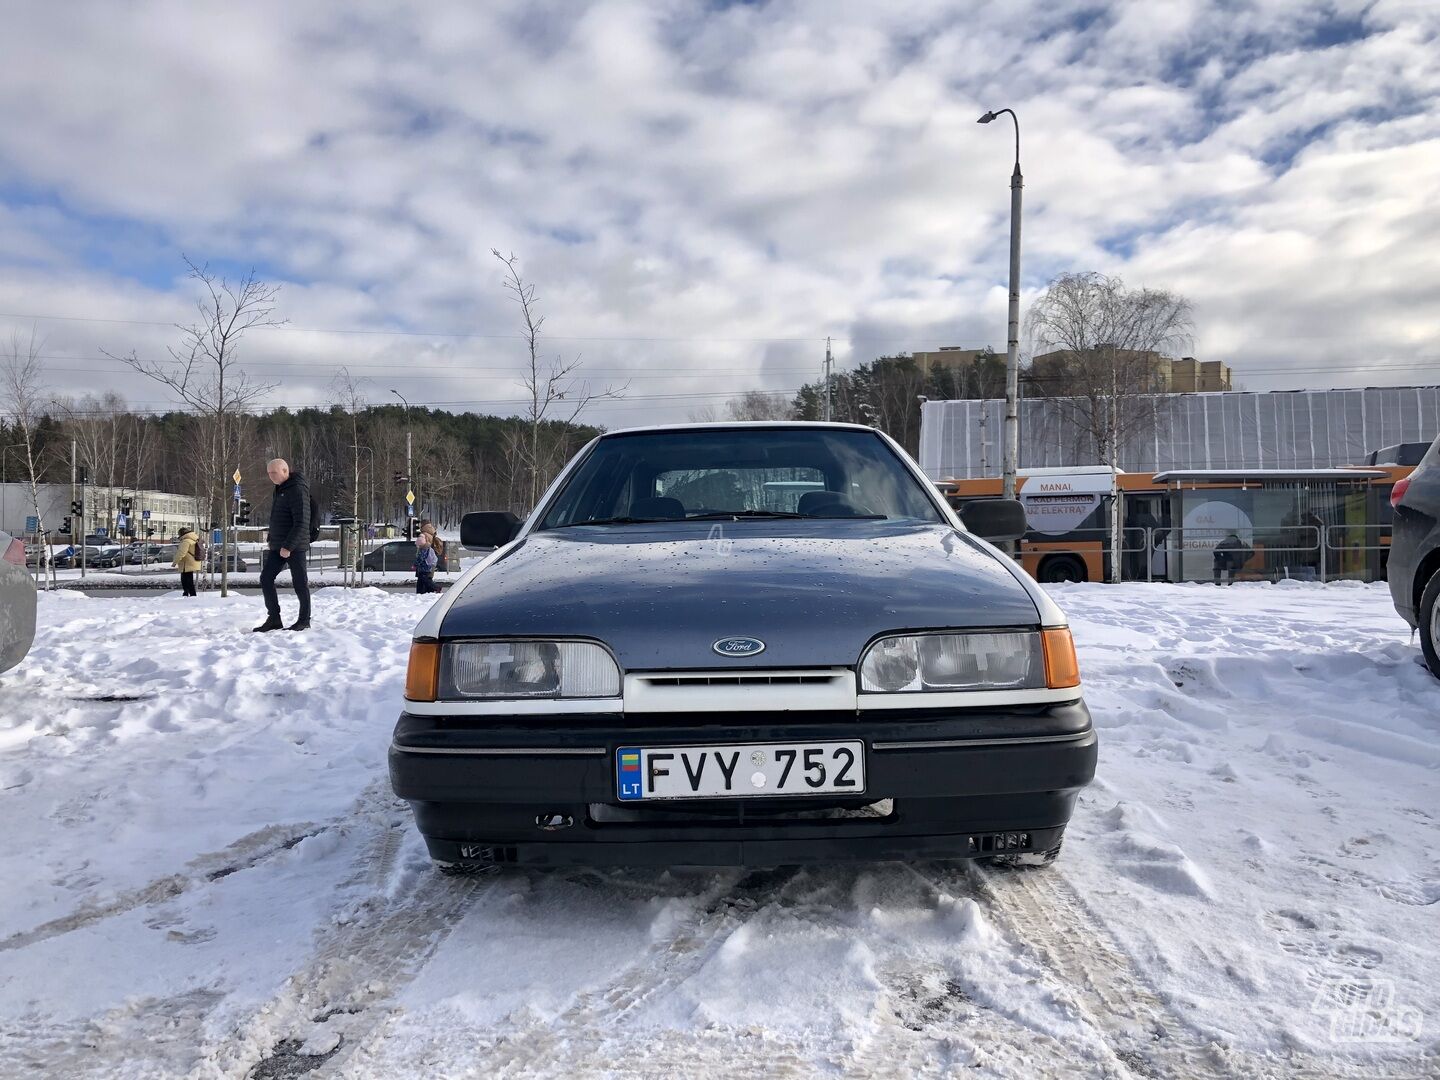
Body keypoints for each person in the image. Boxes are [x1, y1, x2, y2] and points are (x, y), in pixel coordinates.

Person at [255, 458, 312, 632]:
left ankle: (304, 620)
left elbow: (302, 521)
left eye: (274, 473)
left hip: (295, 545)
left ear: (285, 471)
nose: (271, 476)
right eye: (269, 473)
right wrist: (273, 539)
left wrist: (288, 546)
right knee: (266, 578)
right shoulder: (280, 489)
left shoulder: (297, 489)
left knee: (300, 583)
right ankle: (274, 618)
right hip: (278, 545)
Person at [172, 527, 202, 596]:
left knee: (186, 580)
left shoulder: (186, 541)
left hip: (187, 563)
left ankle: (190, 594)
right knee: (188, 579)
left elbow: (181, 553)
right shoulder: (193, 539)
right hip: (191, 562)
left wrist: (175, 562)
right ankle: (188, 593)